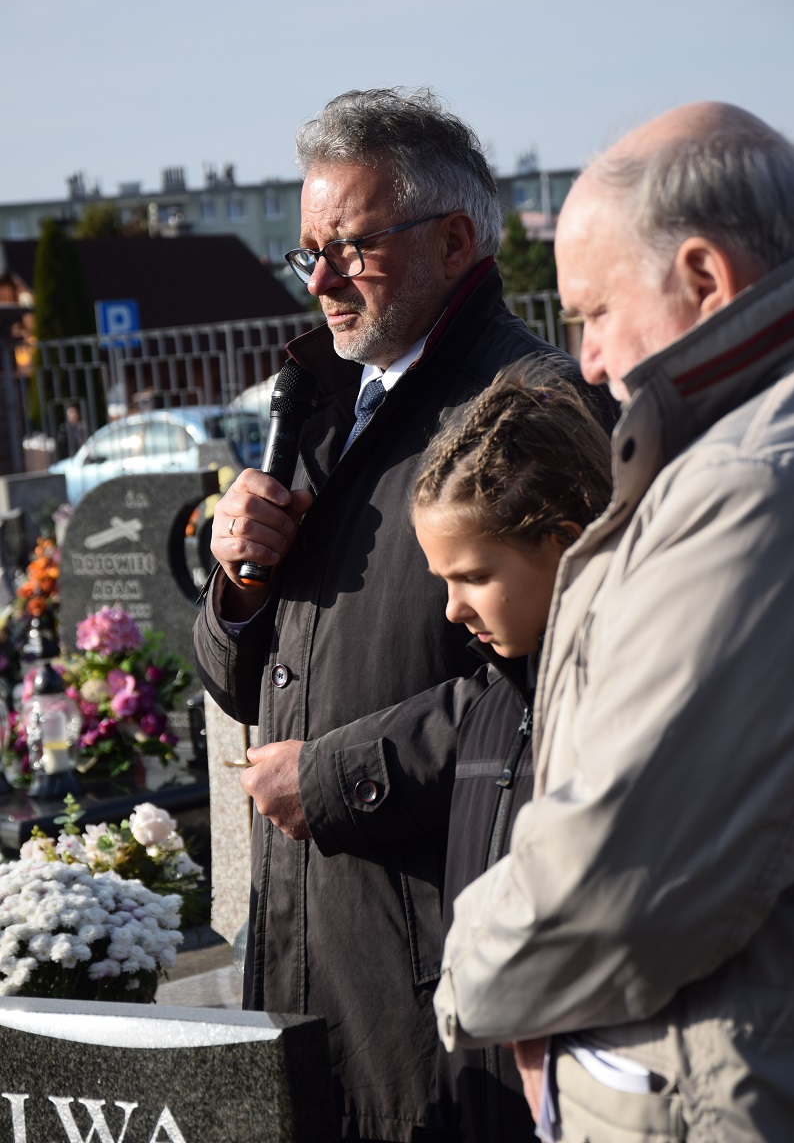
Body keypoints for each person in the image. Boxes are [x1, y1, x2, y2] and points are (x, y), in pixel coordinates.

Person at [193, 88, 606, 1142]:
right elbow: (241, 676)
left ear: (454, 239)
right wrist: (236, 585)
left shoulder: (530, 407)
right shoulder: (321, 403)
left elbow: (561, 677)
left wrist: (330, 777)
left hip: (431, 965)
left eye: (352, 247)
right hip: (308, 951)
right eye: (308, 254)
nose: (322, 281)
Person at [434, 101, 794, 1142]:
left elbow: (623, 867)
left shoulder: (746, 488)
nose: (586, 361)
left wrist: (467, 979)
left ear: (703, 278)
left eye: (592, 313)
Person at [271, 360, 611, 1141]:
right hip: (485, 1092)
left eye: (474, 577)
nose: (453, 610)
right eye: (441, 582)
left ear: (564, 544)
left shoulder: (618, 701)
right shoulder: (495, 706)